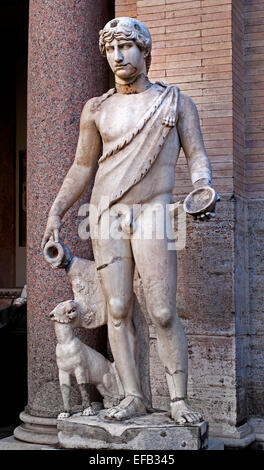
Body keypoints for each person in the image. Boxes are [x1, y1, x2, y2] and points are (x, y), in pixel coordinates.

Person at [42, 17, 217, 424]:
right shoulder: (97, 108)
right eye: (110, 49)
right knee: (118, 308)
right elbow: (82, 167)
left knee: (162, 311)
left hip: (154, 213)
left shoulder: (175, 102)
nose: (118, 56)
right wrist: (55, 210)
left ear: (145, 50)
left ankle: (178, 401)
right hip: (105, 213)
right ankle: (133, 395)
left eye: (126, 46)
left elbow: (198, 155)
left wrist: (202, 186)